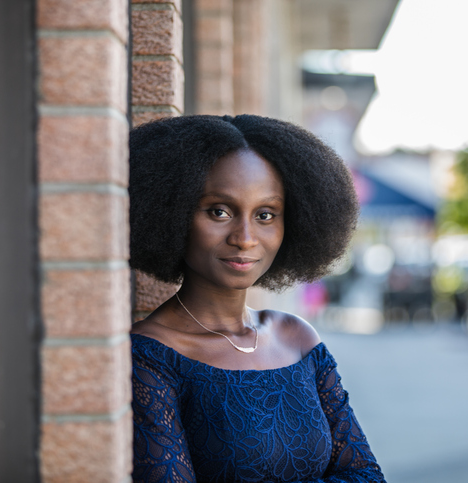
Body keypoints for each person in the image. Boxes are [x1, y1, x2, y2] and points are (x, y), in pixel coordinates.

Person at [128, 114, 386, 482]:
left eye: (265, 214)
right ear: (173, 212)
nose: (245, 237)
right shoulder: (150, 356)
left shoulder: (296, 337)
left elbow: (366, 473)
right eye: (219, 211)